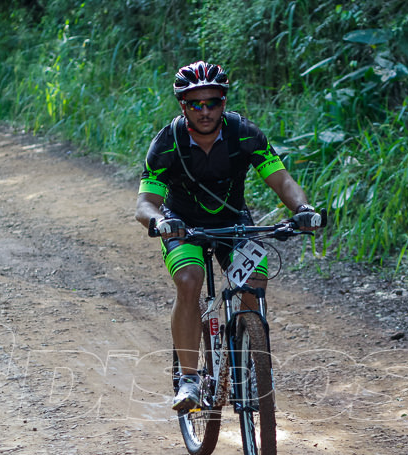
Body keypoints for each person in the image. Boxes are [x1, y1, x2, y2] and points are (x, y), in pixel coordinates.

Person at [135, 60, 321, 411]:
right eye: (195, 104)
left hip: (234, 221)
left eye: (213, 103)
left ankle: (250, 357)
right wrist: (159, 221)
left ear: (224, 102)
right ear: (182, 106)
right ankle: (189, 379)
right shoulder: (167, 143)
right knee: (190, 280)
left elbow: (281, 179)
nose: (205, 111)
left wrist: (302, 210)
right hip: (181, 223)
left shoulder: (244, 134)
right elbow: (146, 202)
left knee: (254, 278)